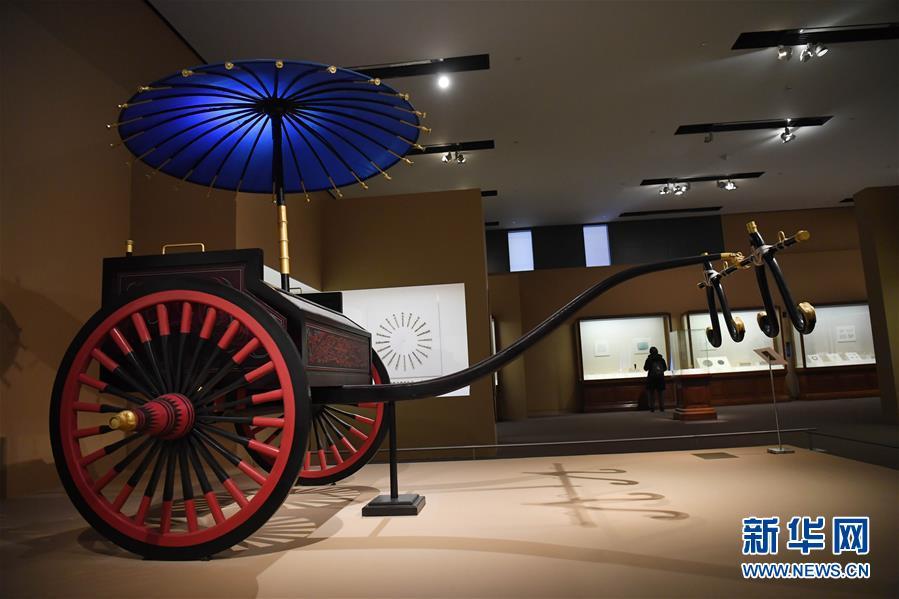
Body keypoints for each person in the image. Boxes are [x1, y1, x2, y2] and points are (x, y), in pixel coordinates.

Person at [643, 346, 667, 412]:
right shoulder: (661, 359)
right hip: (660, 378)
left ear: (650, 352)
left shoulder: (649, 359)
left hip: (651, 378)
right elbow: (665, 368)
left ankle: (652, 408)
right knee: (661, 393)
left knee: (651, 393)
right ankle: (662, 407)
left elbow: (645, 368)